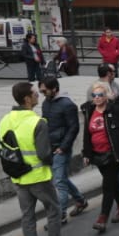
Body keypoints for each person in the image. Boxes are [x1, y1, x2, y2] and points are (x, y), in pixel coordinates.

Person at [0, 81, 76, 236]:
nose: (38, 95)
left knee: (27, 218)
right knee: (54, 211)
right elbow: (44, 154)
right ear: (27, 99)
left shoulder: (5, 120)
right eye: (34, 93)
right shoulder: (37, 122)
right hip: (39, 177)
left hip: (18, 178)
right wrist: (51, 160)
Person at [81, 80, 119, 233]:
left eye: (100, 94)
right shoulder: (89, 111)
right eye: (94, 95)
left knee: (107, 185)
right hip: (98, 156)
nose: (97, 97)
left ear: (106, 96)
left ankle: (102, 218)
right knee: (113, 183)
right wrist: (86, 153)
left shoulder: (116, 110)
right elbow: (87, 134)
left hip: (113, 155)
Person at [40, 76, 88, 222]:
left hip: (61, 149)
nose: (43, 94)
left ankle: (60, 215)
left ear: (54, 88)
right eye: (41, 91)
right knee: (61, 179)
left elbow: (74, 128)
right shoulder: (46, 103)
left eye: (45, 91)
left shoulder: (67, 105)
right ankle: (80, 200)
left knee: (59, 181)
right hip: (51, 148)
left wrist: (63, 147)